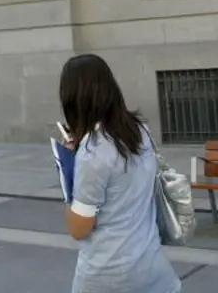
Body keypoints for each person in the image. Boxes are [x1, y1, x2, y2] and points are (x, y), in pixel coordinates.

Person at [59, 53, 180, 293]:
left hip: (108, 275)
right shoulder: (139, 129)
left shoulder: (92, 152)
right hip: (152, 268)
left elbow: (79, 228)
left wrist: (67, 175)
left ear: (73, 99)